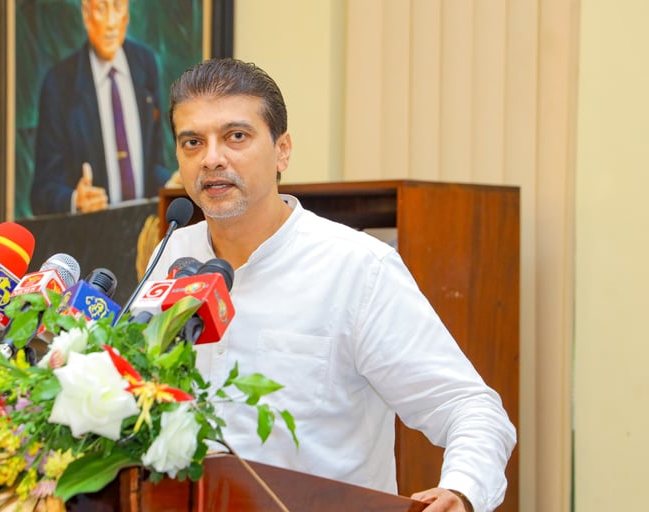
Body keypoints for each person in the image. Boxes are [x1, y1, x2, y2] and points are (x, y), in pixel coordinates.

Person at [145, 59, 516, 512]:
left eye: (236, 136)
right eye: (192, 142)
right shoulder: (172, 256)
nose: (212, 158)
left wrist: (462, 490)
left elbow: (469, 406)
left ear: (282, 151)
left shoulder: (357, 267)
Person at [31, 0, 171, 216]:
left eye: (117, 7)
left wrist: (171, 184)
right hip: (90, 236)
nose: (111, 23)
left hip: (145, 234)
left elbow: (152, 162)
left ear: (127, 13)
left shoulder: (145, 65)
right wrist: (74, 200)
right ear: (86, 15)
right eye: (102, 9)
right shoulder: (59, 83)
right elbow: (42, 190)